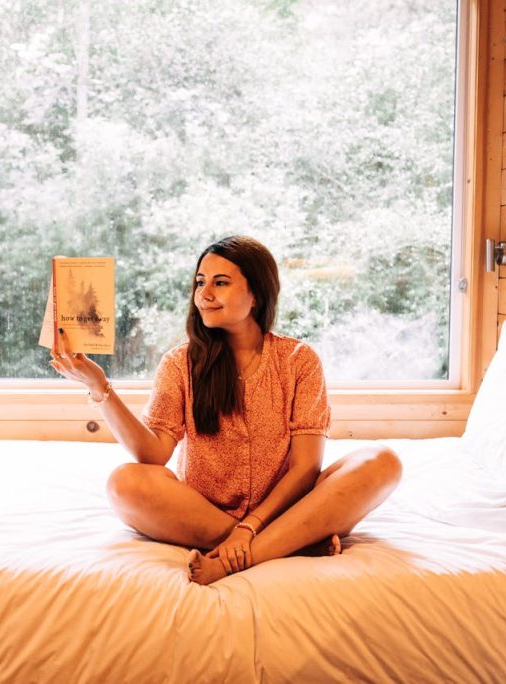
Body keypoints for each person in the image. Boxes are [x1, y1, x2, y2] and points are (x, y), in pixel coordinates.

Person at [48, 235, 402, 585]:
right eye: (200, 282)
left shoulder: (299, 360)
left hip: (288, 510)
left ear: (256, 294)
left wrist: (252, 527)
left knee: (382, 461)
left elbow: (305, 468)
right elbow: (152, 454)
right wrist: (99, 386)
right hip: (207, 514)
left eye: (220, 283)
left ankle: (253, 551)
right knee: (124, 482)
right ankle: (291, 544)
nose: (204, 294)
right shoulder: (179, 363)